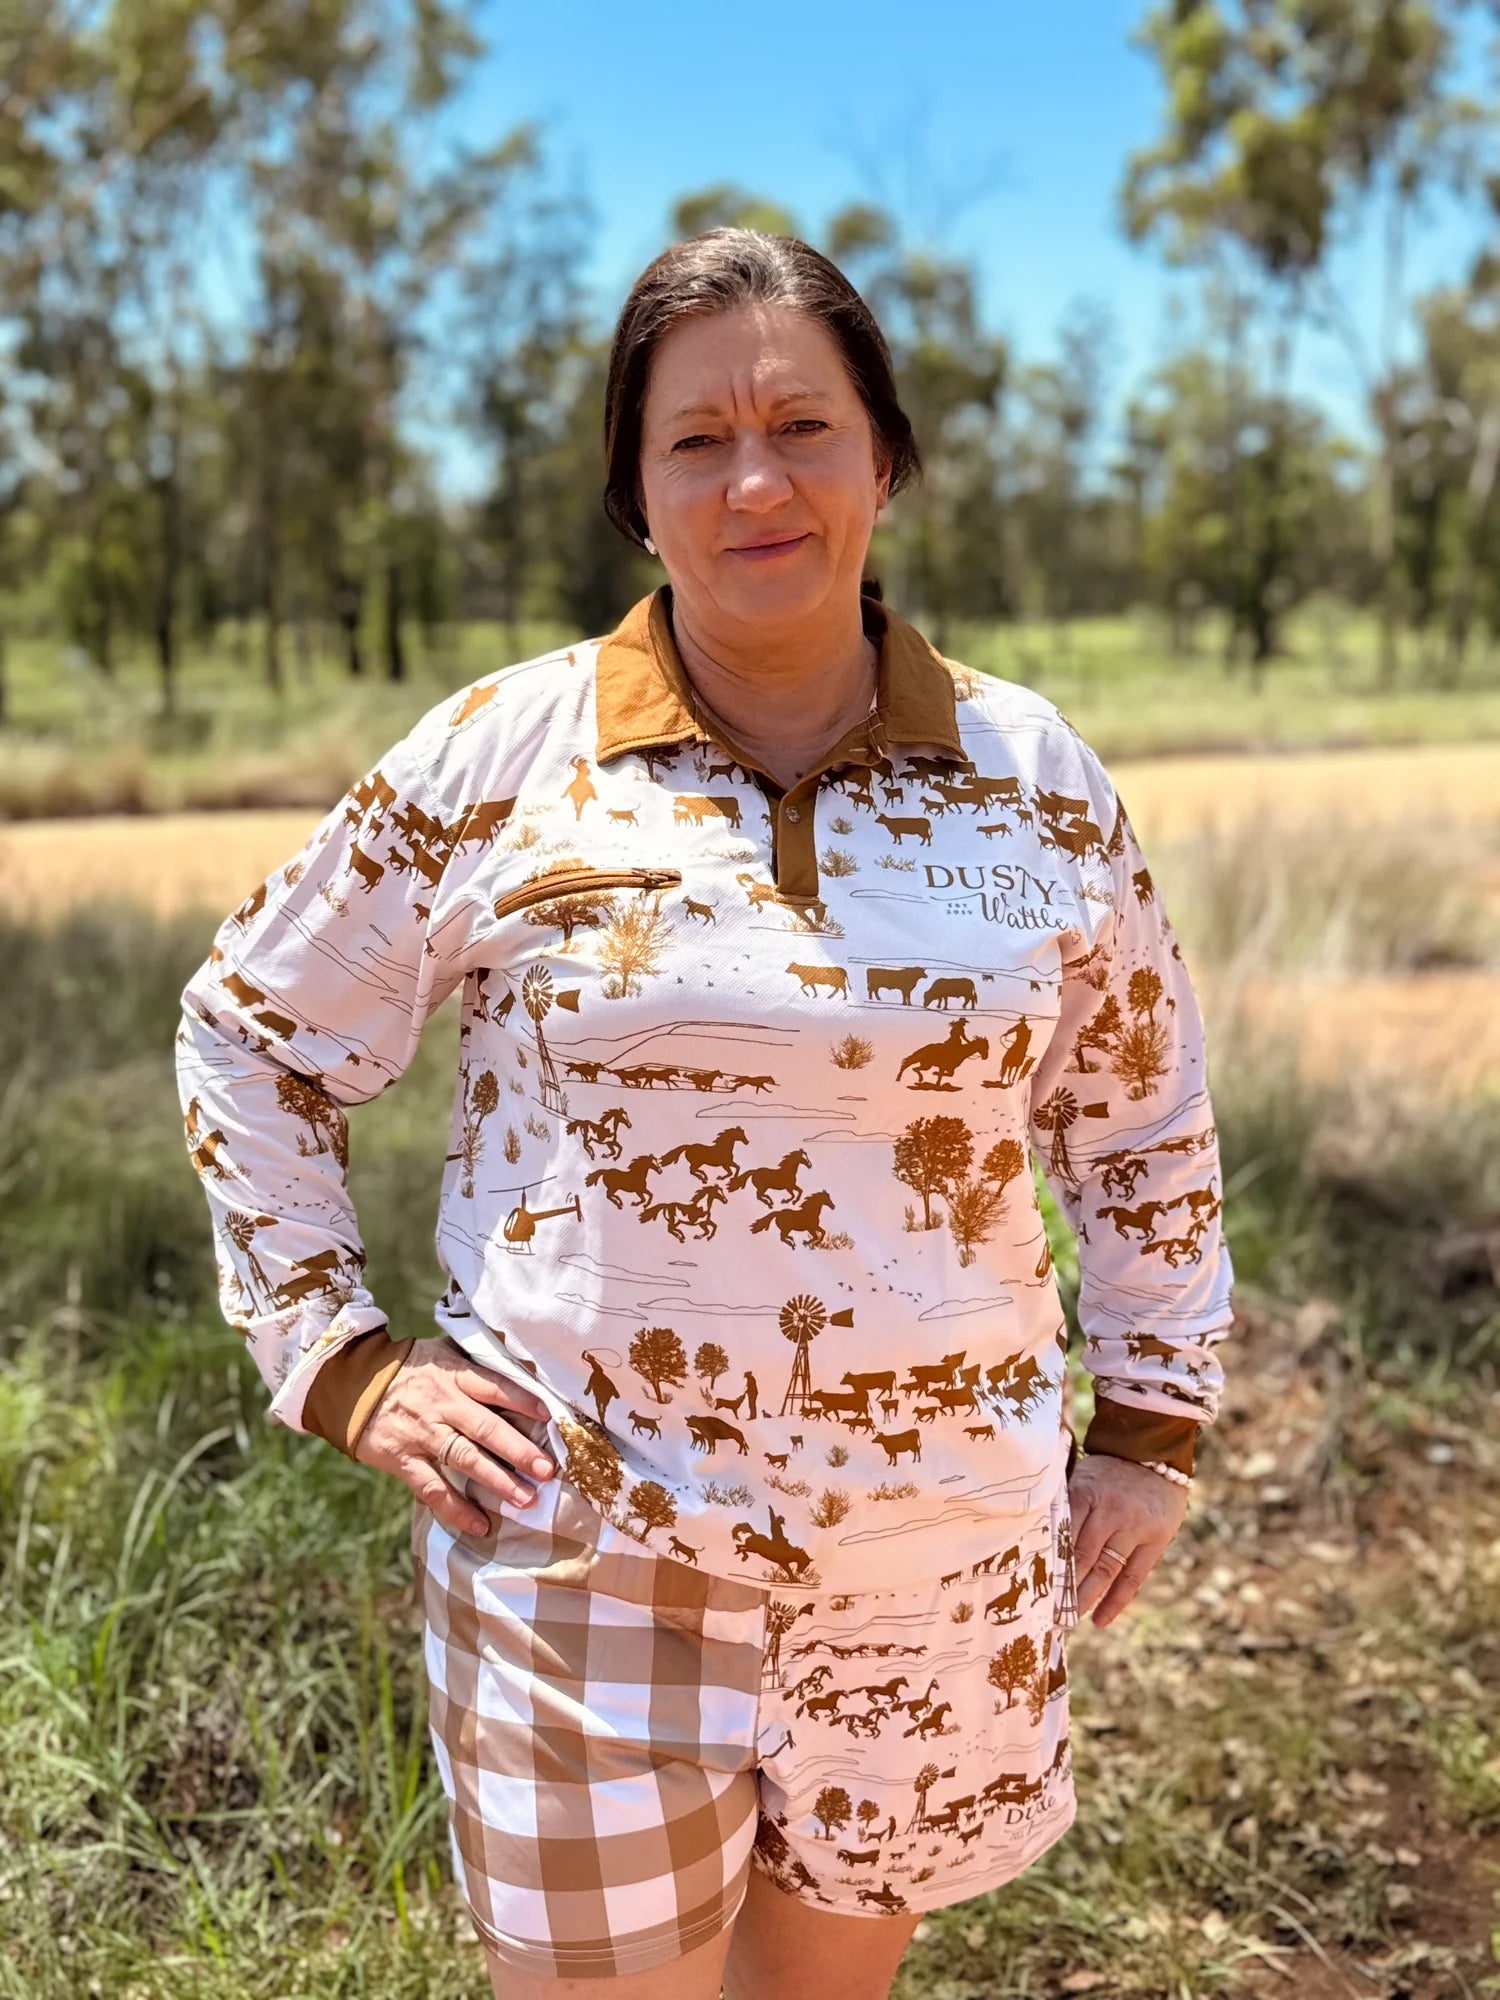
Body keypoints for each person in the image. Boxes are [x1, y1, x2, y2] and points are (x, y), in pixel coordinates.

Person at [175, 228, 1234, 1999]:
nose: (758, 478)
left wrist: (1150, 1418)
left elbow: (1142, 1115)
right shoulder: (503, 761)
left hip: (937, 1570)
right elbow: (250, 1033)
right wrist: (339, 1358)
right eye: (697, 439)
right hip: (589, 1566)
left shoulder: (1034, 778)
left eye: (804, 424)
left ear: (882, 460)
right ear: (634, 495)